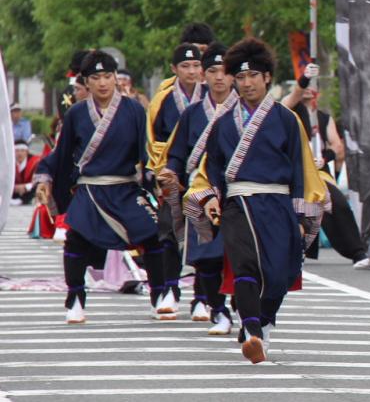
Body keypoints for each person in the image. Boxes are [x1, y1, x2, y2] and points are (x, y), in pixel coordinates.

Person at [184, 37, 327, 364]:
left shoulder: (287, 121)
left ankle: (262, 320)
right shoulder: (222, 122)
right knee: (244, 265)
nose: (246, 83)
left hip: (278, 206)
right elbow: (212, 168)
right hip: (238, 205)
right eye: (241, 77)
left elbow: (301, 167)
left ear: (267, 78)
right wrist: (208, 198)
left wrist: (304, 213)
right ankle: (252, 332)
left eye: (254, 76)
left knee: (279, 272)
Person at [33, 50, 167, 323]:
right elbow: (61, 154)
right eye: (96, 78)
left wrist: (156, 177)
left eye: (108, 76)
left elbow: (146, 152)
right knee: (75, 240)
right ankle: (75, 299)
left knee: (152, 236)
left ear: (116, 77)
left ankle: (161, 296)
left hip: (125, 188)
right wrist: (44, 178)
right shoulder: (77, 114)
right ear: (87, 81)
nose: (103, 83)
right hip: (90, 190)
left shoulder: (134, 110)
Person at [162, 43, 238, 335]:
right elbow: (178, 153)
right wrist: (171, 170)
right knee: (207, 255)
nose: (219, 77)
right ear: (204, 76)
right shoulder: (193, 113)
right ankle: (217, 310)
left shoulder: (245, 111)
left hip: (237, 189)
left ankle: (244, 307)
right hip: (201, 191)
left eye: (224, 71)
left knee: (240, 255)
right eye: (212, 71)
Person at [282, 64, 370, 269]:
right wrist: (304, 77)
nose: (306, 89)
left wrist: (325, 157)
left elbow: (338, 146)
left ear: (317, 92)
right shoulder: (288, 111)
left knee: (337, 203)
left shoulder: (324, 118)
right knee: (296, 210)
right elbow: (293, 95)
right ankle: (297, 250)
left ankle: (357, 251)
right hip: (294, 171)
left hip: (319, 172)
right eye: (304, 85)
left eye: (311, 85)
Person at [147, 43, 206, 318]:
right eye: (185, 66)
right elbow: (154, 137)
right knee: (169, 229)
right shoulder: (164, 99)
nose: (191, 71)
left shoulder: (213, 96)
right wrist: (161, 172)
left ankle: (203, 297)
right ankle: (170, 289)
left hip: (205, 174)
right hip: (172, 170)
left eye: (196, 66)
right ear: (174, 69)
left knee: (205, 233)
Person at [12, 140, 40, 205]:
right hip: (14, 189)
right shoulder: (9, 162)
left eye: (22, 150)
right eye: (17, 150)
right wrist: (14, 187)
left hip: (28, 189)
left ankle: (22, 200)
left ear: (27, 152)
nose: (19, 153)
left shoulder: (35, 161)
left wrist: (25, 187)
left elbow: (38, 179)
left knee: (38, 185)